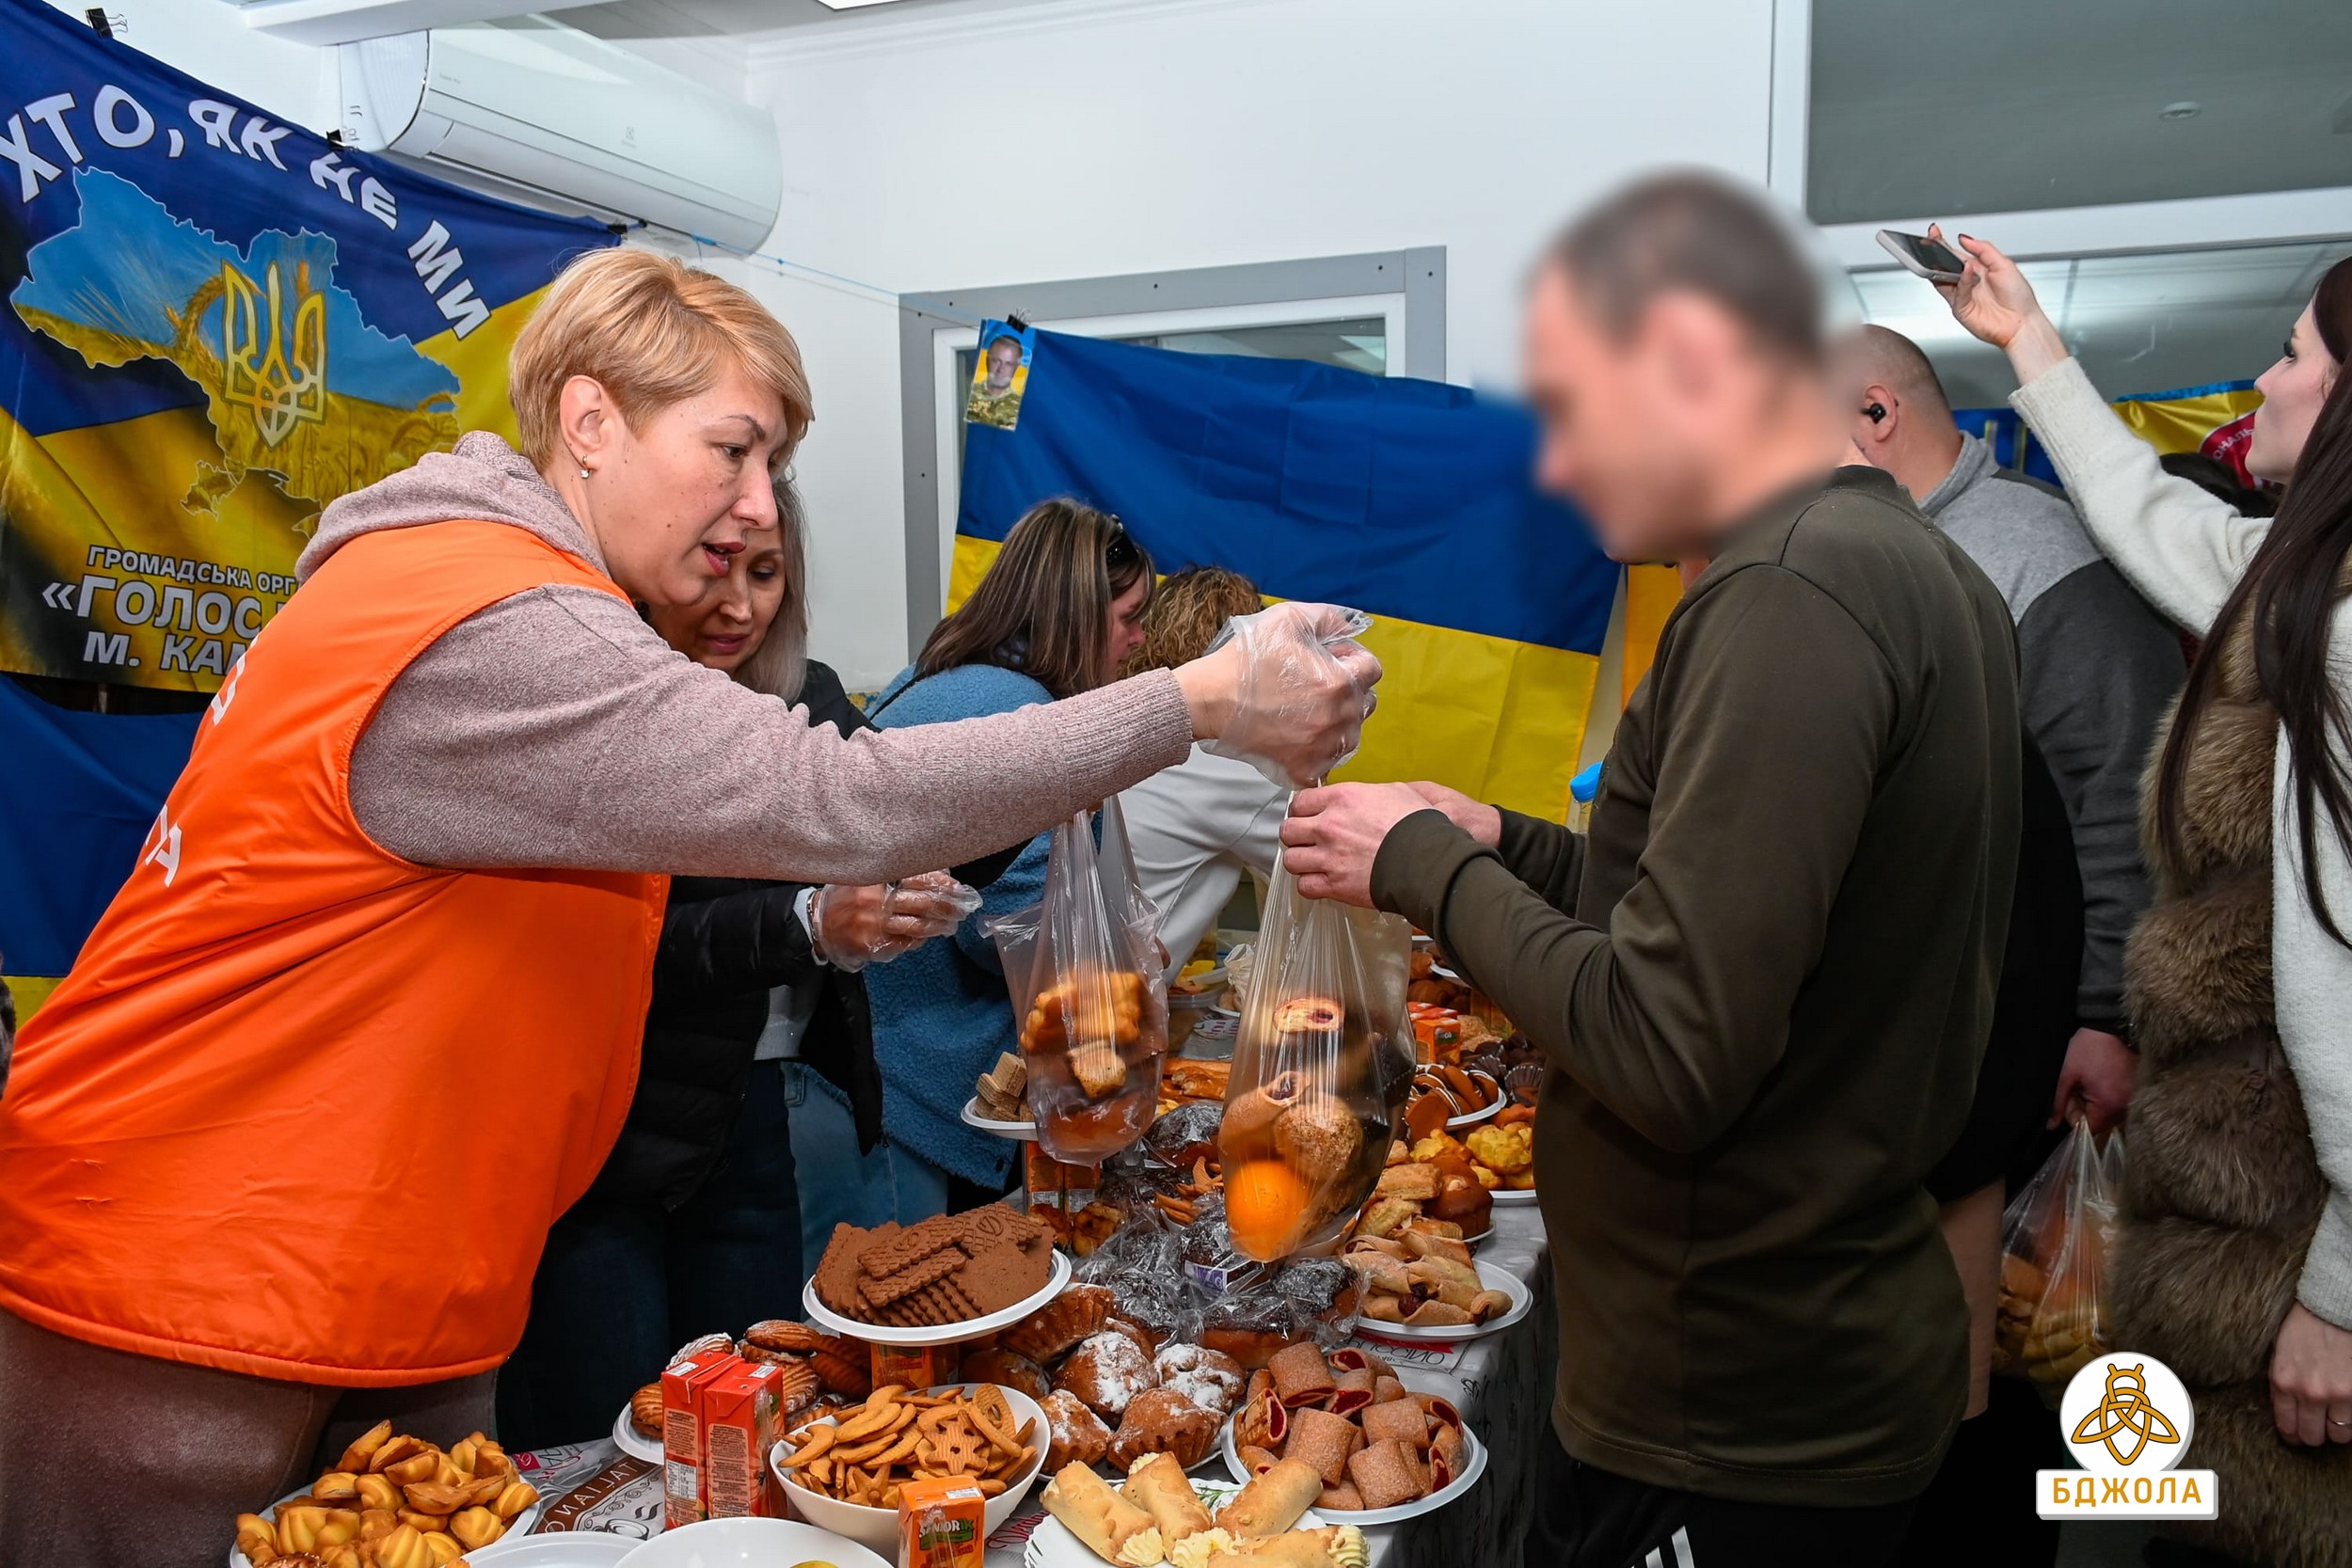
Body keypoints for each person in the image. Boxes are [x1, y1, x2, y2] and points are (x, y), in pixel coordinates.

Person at [0, 248, 1378, 1568]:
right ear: (589, 421)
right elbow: (842, 796)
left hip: (368, 1275)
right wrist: (1204, 698)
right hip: (182, 1282)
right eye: (731, 450)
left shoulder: (499, 597)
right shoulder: (486, 610)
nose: (763, 508)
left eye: (774, 466)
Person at [1280, 171, 2020, 1566]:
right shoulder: (1907, 563)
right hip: (1798, 1351)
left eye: (1574, 412)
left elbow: (1674, 1046)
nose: (1558, 468)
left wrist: (1423, 865)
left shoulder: (1788, 589)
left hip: (1737, 1403)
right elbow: (1750, 922)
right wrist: (1511, 846)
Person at [1935, 230, 2352, 1560]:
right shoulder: (2310, 590)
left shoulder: (2346, 636)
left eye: (2292, 354)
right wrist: (2027, 339)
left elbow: (2342, 982)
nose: (2265, 380)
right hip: (2257, 1213)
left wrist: (2340, 1297)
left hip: (2299, 1244)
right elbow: (2165, 526)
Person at [496, 474, 971, 1451]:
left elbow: (895, 801)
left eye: (765, 574)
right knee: (606, 1428)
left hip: (749, 1113)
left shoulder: (802, 693)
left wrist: (920, 868)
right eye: (715, 568)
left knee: (752, 1417)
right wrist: (808, 919)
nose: (739, 605)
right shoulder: (598, 713)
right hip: (605, 1139)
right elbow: (631, 943)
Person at [1842, 324, 2181, 1141]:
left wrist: (2107, 1016)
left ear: (1877, 413)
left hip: (2036, 1027)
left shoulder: (2040, 547)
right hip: (1921, 1030)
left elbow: (2124, 784)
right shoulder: (1869, 549)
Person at [809, 499, 1154, 1227]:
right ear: (1079, 615)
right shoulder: (1024, 714)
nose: (1139, 638)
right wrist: (1120, 988)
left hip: (851, 1061)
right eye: (1129, 617)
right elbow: (1013, 930)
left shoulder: (943, 676)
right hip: (901, 1087)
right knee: (906, 1290)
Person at [1118, 566, 1287, 975]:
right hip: (1114, 996)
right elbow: (1331, 860)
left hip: (1059, 975)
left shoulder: (1122, 724)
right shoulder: (1235, 765)